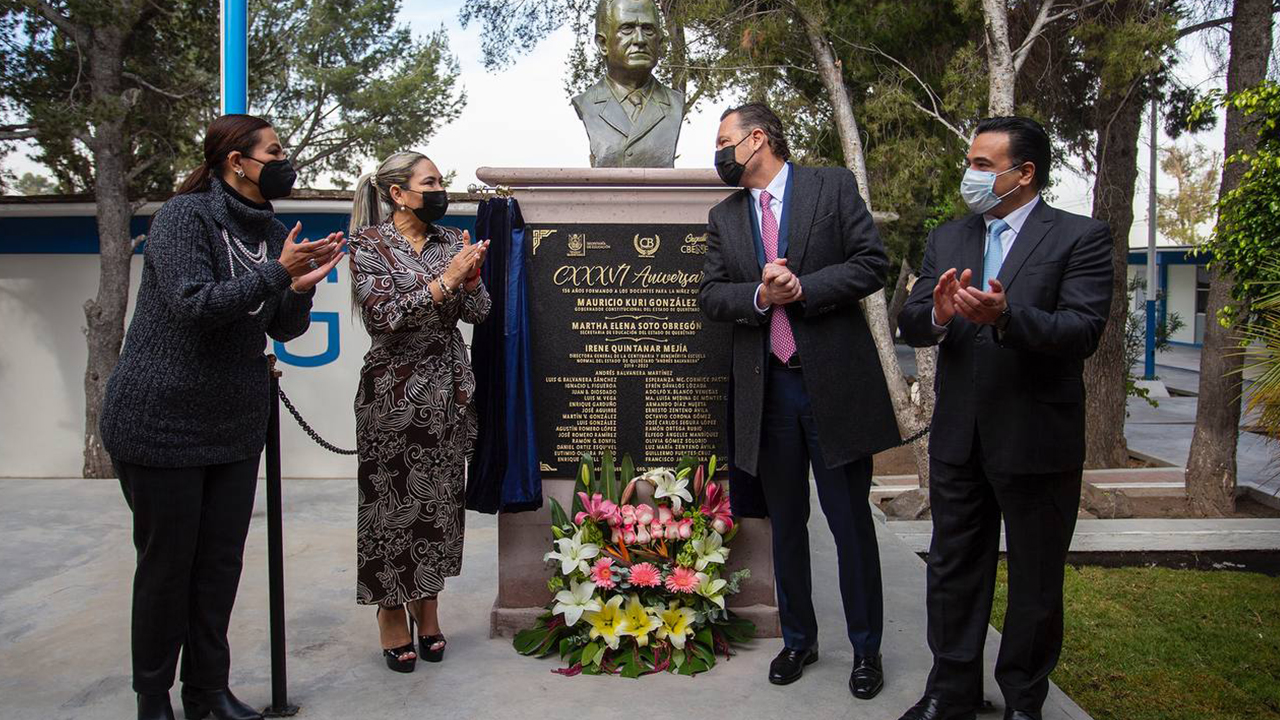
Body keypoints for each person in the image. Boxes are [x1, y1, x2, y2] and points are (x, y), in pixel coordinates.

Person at [100, 114, 344, 720]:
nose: (286, 161)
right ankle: (152, 697)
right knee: (166, 568)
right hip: (162, 420)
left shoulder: (266, 232)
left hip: (233, 424)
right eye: (275, 151)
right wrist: (276, 273)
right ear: (236, 161)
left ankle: (207, 691)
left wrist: (301, 287)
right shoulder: (185, 218)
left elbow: (281, 325)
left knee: (217, 568)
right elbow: (193, 307)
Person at [896, 116, 1114, 720]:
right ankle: (951, 690)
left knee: (1036, 584)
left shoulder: (1080, 237)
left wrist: (1007, 317)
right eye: (970, 162)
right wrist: (937, 316)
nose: (971, 175)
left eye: (984, 166)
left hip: (1037, 438)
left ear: (1024, 174)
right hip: (959, 441)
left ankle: (1024, 700)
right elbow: (912, 322)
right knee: (952, 571)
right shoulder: (948, 237)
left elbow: (1083, 330)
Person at [698, 102, 900, 699]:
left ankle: (867, 650)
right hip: (768, 393)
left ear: (757, 139)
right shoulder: (724, 215)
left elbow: (872, 264)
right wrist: (760, 295)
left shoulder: (831, 187)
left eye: (724, 140)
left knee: (849, 524)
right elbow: (712, 295)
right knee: (786, 524)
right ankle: (799, 640)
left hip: (834, 387)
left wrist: (804, 287)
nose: (719, 153)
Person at [347, 151, 491, 673]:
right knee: (388, 508)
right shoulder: (367, 245)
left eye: (440, 182)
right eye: (429, 182)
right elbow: (383, 318)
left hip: (450, 391)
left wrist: (471, 285)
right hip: (391, 390)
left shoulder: (454, 241)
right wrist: (446, 282)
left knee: (438, 505)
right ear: (397, 194)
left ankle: (427, 607)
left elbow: (480, 314)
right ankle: (390, 612)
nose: (439, 190)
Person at [571, 0, 684, 167]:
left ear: (659, 42)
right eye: (627, 29)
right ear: (603, 44)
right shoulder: (587, 103)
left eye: (648, 29)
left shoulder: (675, 103)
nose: (640, 40)